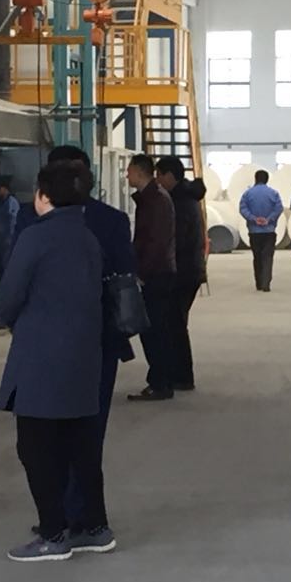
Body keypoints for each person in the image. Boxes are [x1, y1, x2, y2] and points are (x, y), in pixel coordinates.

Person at [16, 145, 135, 554]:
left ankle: (58, 523)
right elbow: (126, 277)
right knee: (87, 434)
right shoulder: (112, 221)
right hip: (99, 343)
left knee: (42, 438)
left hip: (46, 347)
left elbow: (11, 281)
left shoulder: (33, 222)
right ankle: (86, 520)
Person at [0, 158, 106, 562]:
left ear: (43, 196)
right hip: (84, 355)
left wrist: (13, 319)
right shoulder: (88, 237)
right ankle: (94, 527)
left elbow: (9, 298)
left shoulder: (36, 238)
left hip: (41, 358)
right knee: (80, 445)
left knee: (36, 447)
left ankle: (53, 533)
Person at [126, 153, 177, 402]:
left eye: (129, 171)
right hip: (158, 272)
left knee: (154, 330)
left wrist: (142, 273)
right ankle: (161, 380)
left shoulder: (155, 200)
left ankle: (160, 383)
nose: (126, 175)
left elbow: (156, 241)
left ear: (139, 171)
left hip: (156, 274)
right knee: (156, 330)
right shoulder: (152, 198)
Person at [155, 155, 205, 391]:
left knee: (174, 324)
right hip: (189, 269)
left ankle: (182, 375)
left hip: (183, 271)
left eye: (159, 175)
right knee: (175, 323)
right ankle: (179, 373)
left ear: (169, 176)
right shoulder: (184, 196)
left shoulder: (180, 201)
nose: (157, 180)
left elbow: (178, 239)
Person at [239, 169, 284, 291]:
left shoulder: (247, 194)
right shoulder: (273, 193)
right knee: (267, 257)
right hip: (269, 231)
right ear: (267, 179)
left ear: (255, 179)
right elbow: (279, 208)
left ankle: (258, 283)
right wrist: (269, 219)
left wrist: (253, 219)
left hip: (254, 231)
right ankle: (266, 283)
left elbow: (243, 209)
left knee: (257, 257)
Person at [0, 179, 20, 285]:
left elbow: (12, 222)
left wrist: (9, 238)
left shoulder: (11, 203)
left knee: (5, 266)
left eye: (0, 189)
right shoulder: (0, 203)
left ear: (5, 189)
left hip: (6, 241)